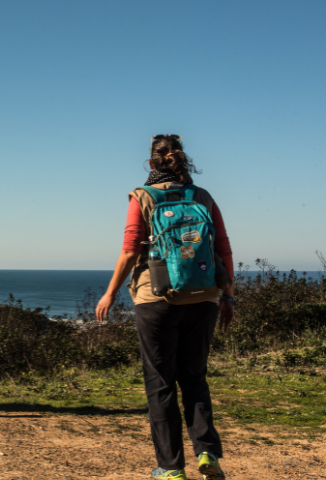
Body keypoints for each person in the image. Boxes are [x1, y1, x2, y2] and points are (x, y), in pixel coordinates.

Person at [95, 135, 234, 480]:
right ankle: (207, 453)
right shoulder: (203, 197)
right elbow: (224, 248)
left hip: (156, 300)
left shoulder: (142, 197)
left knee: (161, 384)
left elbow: (130, 250)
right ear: (182, 160)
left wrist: (109, 294)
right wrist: (228, 295)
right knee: (195, 378)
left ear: (151, 163)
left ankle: (171, 469)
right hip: (204, 298)